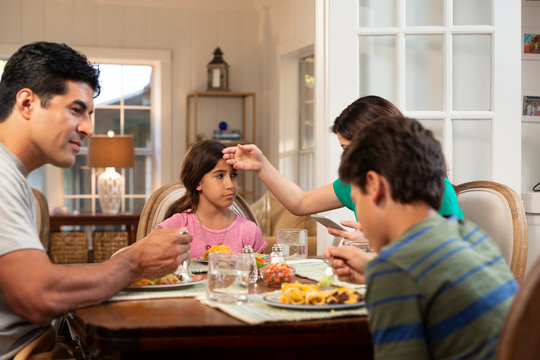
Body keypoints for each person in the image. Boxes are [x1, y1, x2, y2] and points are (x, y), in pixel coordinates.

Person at [0, 42, 192, 359]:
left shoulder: (13, 175)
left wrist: (128, 257)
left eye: (89, 114)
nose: (88, 128)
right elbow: (39, 295)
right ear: (26, 103)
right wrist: (134, 262)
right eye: (76, 110)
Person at [326, 115, 517, 359]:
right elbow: (432, 275)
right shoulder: (469, 234)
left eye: (355, 199)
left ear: (374, 186)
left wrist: (383, 271)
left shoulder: (395, 272)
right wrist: (374, 268)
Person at [222, 95, 463, 243]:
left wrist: (374, 243)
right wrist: (261, 165)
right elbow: (301, 203)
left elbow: (446, 254)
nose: (348, 158)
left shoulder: (435, 189)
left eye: (350, 148)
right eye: (344, 149)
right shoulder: (359, 184)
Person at [159, 140, 266, 257]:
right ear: (197, 183)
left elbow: (259, 272)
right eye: (220, 176)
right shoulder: (178, 224)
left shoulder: (249, 231)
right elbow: (140, 255)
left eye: (233, 175)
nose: (230, 184)